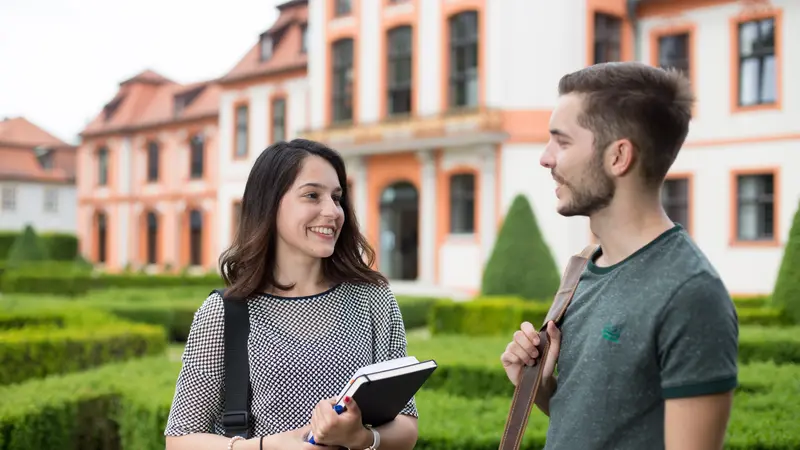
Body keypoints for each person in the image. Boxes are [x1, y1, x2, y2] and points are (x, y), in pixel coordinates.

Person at [500, 62, 738, 450]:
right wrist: (539, 387)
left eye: (561, 142)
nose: (545, 158)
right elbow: (596, 424)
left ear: (618, 157)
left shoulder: (691, 294)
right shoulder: (584, 267)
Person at [164, 139, 419, 450]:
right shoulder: (224, 312)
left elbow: (407, 426)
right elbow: (179, 439)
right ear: (270, 204)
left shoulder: (373, 299)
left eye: (337, 198)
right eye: (312, 195)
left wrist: (360, 438)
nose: (332, 211)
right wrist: (268, 446)